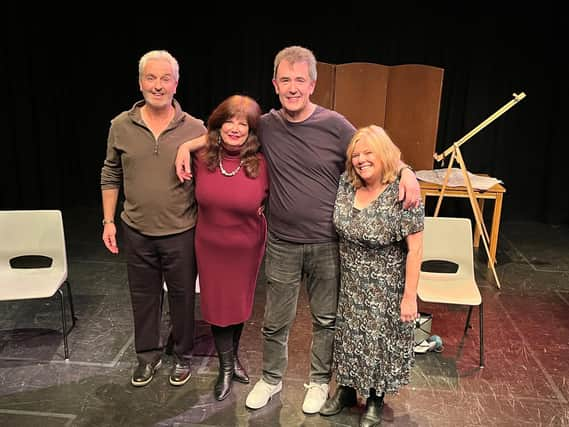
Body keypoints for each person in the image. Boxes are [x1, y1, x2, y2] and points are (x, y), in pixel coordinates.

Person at [175, 45, 420, 414]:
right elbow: (226, 132)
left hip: (327, 244)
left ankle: (320, 382)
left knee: (326, 320)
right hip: (282, 242)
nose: (292, 87)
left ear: (312, 84)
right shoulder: (268, 125)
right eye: (285, 80)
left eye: (299, 80)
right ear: (275, 84)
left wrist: (406, 172)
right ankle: (271, 379)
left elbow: (376, 150)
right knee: (275, 320)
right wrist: (186, 145)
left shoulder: (335, 125)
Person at [100, 49, 206, 387]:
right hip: (137, 229)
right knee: (143, 297)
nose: (157, 85)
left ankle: (183, 356)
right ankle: (147, 356)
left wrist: (190, 146)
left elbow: (227, 141)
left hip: (181, 230)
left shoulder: (194, 127)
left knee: (182, 297)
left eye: (165, 78)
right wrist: (108, 221)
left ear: (176, 83)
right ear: (140, 82)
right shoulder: (120, 125)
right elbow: (110, 173)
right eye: (151, 77)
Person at [319, 125, 424, 427]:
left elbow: (415, 250)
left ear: (384, 154)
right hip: (351, 282)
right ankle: (348, 391)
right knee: (350, 339)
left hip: (387, 286)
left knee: (380, 343)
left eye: (369, 153)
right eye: (356, 155)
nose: (361, 160)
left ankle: (376, 398)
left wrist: (409, 297)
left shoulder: (403, 192)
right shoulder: (346, 185)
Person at [192, 95, 269, 401]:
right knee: (217, 306)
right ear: (218, 124)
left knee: (238, 305)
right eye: (230, 121)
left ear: (252, 131)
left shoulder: (262, 163)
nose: (236, 129)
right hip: (210, 245)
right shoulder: (201, 157)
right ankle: (226, 367)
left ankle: (232, 358)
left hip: (247, 246)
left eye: (244, 124)